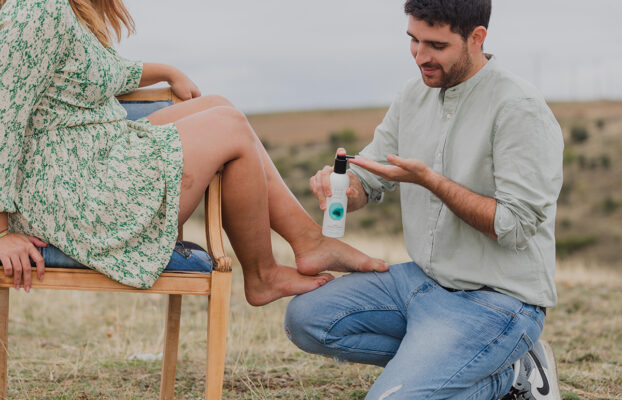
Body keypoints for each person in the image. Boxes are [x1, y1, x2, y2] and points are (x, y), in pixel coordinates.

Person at [0, 0, 389, 306]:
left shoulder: (68, 8)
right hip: (68, 193)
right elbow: (3, 115)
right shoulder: (36, 6)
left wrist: (167, 70)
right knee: (228, 126)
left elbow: (103, 71)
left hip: (87, 158)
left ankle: (307, 244)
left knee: (218, 105)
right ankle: (265, 273)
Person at [285, 0, 564, 398]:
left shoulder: (520, 108)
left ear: (476, 38)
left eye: (435, 45)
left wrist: (433, 182)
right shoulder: (412, 96)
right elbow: (368, 177)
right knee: (306, 318)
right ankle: (465, 365)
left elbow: (514, 227)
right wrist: (345, 188)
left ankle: (511, 373)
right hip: (422, 282)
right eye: (413, 41)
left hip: (498, 301)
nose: (420, 56)